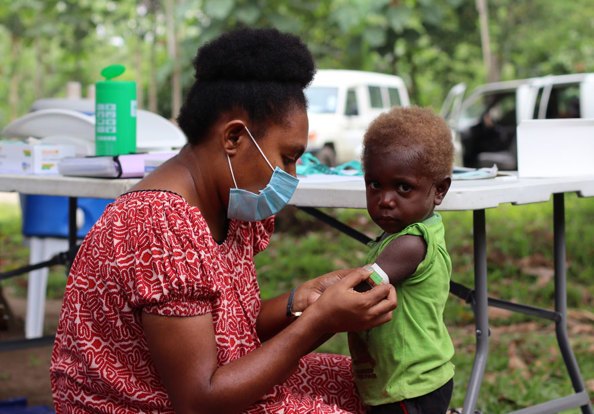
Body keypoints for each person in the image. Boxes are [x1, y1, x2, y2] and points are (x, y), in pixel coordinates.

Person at [50, 28, 397, 413]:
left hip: (209, 387)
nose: (293, 175)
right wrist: (318, 323)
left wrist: (303, 303)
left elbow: (230, 330)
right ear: (234, 138)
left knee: (380, 385)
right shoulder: (158, 225)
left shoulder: (229, 205)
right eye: (287, 157)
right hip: (153, 405)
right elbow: (200, 400)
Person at [348, 106, 456, 414]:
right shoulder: (405, 235)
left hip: (411, 388)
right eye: (375, 184)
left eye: (403, 187)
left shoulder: (411, 244)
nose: (385, 200)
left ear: (439, 190)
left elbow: (358, 292)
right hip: (404, 381)